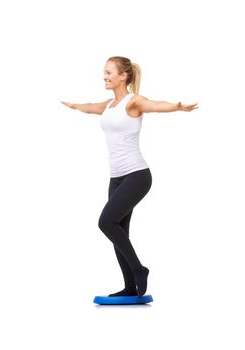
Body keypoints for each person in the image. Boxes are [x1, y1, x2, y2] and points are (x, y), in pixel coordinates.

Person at [61, 56, 198, 297]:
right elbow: (91, 107)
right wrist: (75, 106)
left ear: (123, 76)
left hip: (137, 175)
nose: (104, 76)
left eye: (109, 72)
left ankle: (139, 270)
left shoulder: (133, 102)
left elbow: (155, 105)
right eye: (104, 72)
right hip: (116, 178)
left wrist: (176, 107)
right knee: (120, 231)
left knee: (106, 222)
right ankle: (129, 287)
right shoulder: (108, 105)